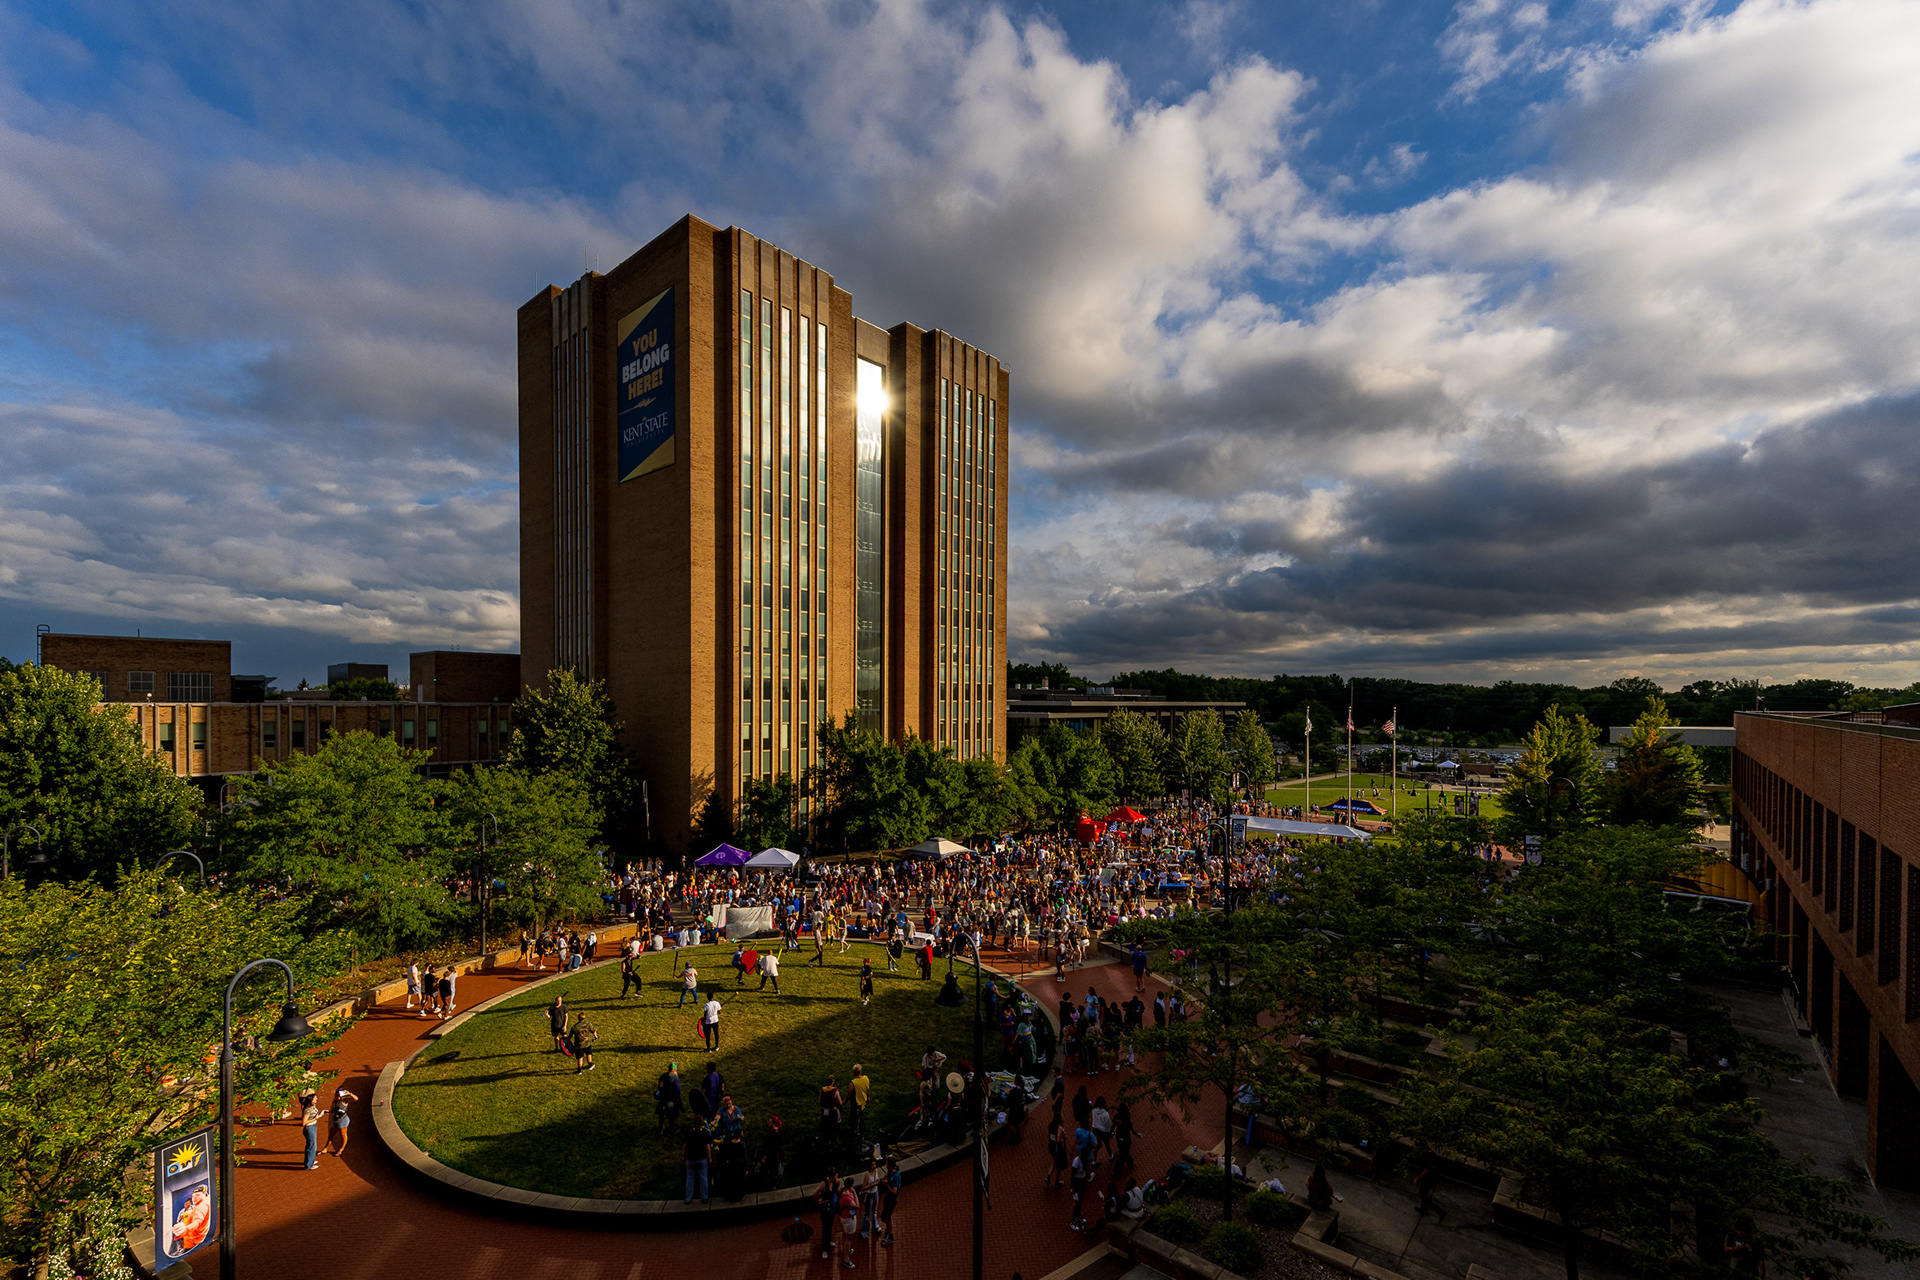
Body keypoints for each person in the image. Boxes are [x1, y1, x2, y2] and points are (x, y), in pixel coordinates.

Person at [683, 1117, 712, 1204]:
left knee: (690, 1179)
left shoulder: (689, 1132)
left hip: (690, 1158)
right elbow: (707, 1147)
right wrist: (709, 1158)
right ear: (702, 1124)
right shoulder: (704, 1133)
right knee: (703, 1178)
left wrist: (683, 1156)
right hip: (701, 1158)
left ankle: (688, 1198)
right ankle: (704, 1197)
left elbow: (685, 1146)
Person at [814, 1171, 841, 1261]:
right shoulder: (824, 1184)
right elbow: (814, 1194)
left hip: (832, 1207)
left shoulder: (836, 1182)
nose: (837, 1176)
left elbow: (837, 1189)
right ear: (832, 1176)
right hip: (825, 1208)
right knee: (825, 1227)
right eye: (836, 1175)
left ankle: (829, 1241)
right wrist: (818, 1202)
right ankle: (824, 1249)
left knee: (830, 1224)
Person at [326, 1086, 359, 1156]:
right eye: (337, 1095)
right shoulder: (335, 1101)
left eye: (339, 1095)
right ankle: (325, 1148)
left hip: (342, 1121)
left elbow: (356, 1099)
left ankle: (341, 1149)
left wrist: (350, 1094)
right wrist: (329, 1111)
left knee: (343, 1135)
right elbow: (333, 1109)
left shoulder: (345, 1100)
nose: (338, 1097)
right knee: (331, 1135)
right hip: (336, 1120)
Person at [836, 1180, 861, 1268]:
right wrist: (855, 1192)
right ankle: (846, 1259)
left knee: (845, 1235)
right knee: (848, 1238)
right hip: (848, 1219)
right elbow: (857, 1205)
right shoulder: (846, 1197)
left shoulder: (843, 1191)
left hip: (845, 1217)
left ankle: (845, 1251)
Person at [656, 1062, 683, 1135]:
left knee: (661, 1113)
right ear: (675, 1069)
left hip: (662, 1098)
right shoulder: (675, 1078)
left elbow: (660, 1086)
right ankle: (672, 1128)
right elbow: (678, 1091)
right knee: (672, 1114)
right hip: (671, 1100)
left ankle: (661, 1127)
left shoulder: (663, 1076)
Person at [879, 1155, 900, 1246]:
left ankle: (890, 1234)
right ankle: (888, 1228)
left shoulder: (895, 1176)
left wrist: (887, 1185)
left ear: (889, 1165)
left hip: (891, 1200)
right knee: (887, 1216)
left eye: (886, 1163)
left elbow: (895, 1192)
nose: (885, 1164)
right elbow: (886, 1177)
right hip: (887, 1198)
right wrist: (884, 1180)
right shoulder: (889, 1172)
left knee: (884, 1217)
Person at [819, 1075, 843, 1153]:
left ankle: (827, 1139)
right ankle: (833, 1140)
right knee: (835, 1125)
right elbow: (840, 1102)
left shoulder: (822, 1090)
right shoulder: (835, 1091)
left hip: (825, 1111)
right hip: (833, 1111)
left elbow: (820, 1102)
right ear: (832, 1083)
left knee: (825, 1125)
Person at [300, 1089, 321, 1170]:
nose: (317, 1099)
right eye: (315, 1098)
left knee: (312, 1145)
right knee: (312, 1146)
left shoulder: (312, 1107)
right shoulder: (308, 1109)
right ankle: (309, 1165)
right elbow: (304, 1122)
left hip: (313, 1127)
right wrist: (316, 1118)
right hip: (309, 1128)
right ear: (311, 1100)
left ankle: (310, 1160)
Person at [849, 1063, 870, 1141]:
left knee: (856, 1119)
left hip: (856, 1103)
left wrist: (845, 1101)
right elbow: (867, 1089)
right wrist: (868, 1097)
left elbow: (849, 1093)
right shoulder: (866, 1078)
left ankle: (857, 1134)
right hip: (863, 1101)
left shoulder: (853, 1083)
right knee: (859, 1117)